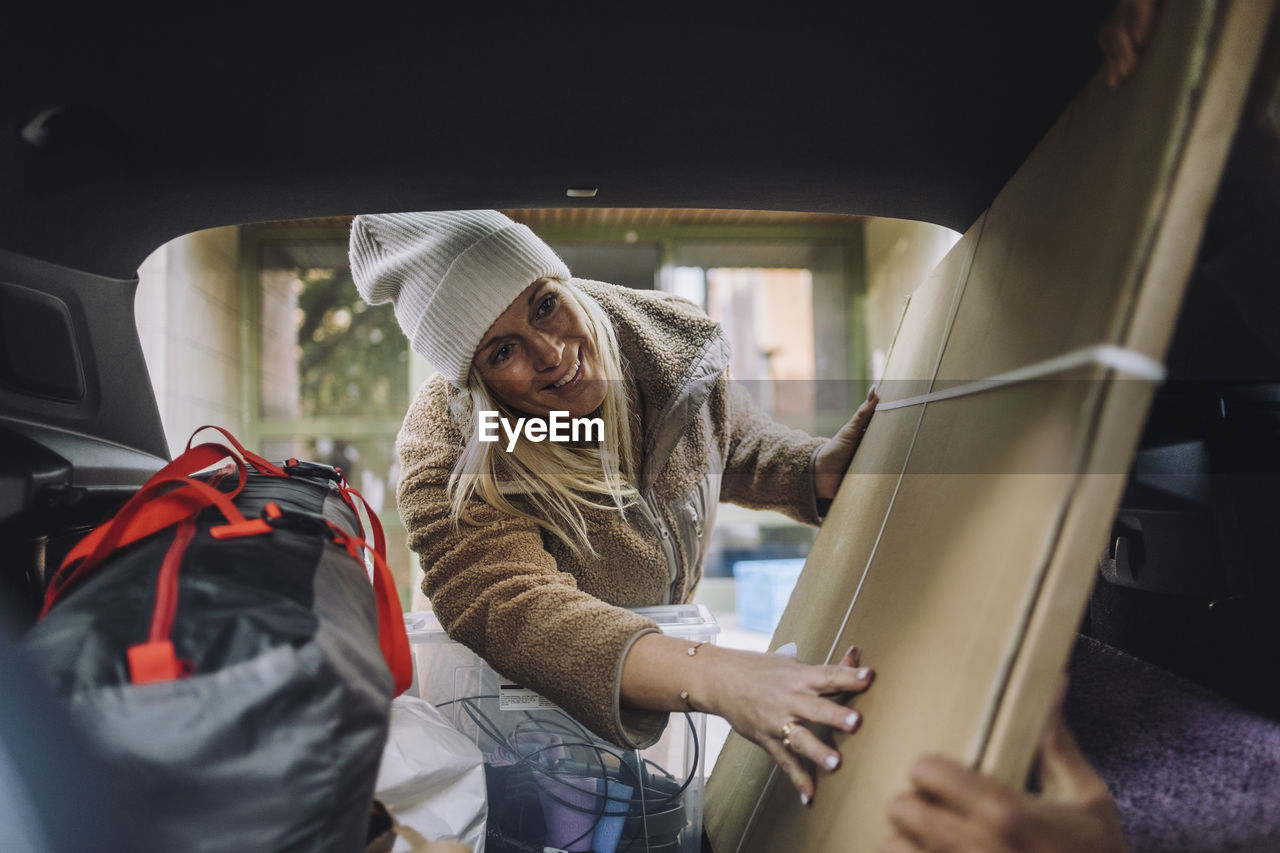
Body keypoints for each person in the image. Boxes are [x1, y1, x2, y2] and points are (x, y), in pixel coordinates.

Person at [349, 209, 880, 804]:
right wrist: (716, 674)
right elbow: (510, 601)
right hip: (513, 727)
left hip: (663, 676)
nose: (551, 353)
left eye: (545, 304)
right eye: (502, 352)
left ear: (561, 281)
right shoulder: (449, 449)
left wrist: (812, 471)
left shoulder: (663, 344)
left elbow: (724, 438)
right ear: (476, 381)